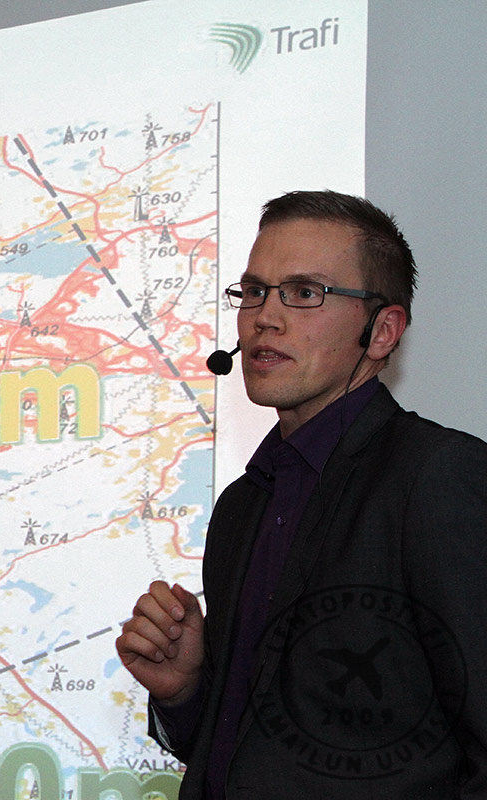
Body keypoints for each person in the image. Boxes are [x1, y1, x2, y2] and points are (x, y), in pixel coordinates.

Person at [115, 190, 487, 798]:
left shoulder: (439, 476)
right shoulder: (243, 505)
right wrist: (186, 691)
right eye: (254, 292)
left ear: (382, 331)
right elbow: (252, 753)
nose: (265, 316)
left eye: (305, 293)